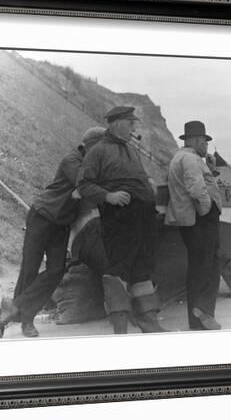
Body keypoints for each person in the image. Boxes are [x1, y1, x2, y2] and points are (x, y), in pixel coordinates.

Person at [0, 126, 106, 338]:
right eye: (102, 148)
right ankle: (26, 322)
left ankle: (14, 306)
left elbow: (87, 188)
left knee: (56, 271)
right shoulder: (71, 160)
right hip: (42, 217)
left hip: (61, 223)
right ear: (92, 146)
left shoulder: (89, 162)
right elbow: (85, 186)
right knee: (30, 268)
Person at [77, 106, 166, 334]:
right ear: (116, 124)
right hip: (120, 217)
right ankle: (120, 328)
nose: (134, 127)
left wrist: (147, 183)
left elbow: (136, 176)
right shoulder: (98, 151)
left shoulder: (130, 149)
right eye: (130, 123)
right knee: (119, 269)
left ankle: (148, 321)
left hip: (144, 216)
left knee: (143, 267)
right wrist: (109, 196)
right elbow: (84, 184)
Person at [165, 121, 223, 330]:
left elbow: (200, 182)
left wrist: (210, 169)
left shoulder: (182, 157)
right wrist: (207, 210)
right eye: (205, 142)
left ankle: (197, 318)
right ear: (197, 140)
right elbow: (196, 188)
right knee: (209, 265)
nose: (207, 146)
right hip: (201, 219)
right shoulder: (190, 159)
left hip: (192, 219)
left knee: (200, 266)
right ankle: (203, 310)